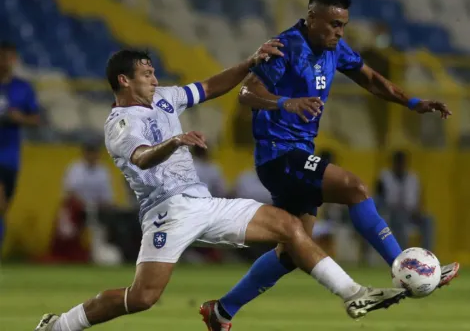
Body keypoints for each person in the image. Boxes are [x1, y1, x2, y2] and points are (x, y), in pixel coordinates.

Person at [35, 45, 407, 331]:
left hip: (204, 202)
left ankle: (354, 294)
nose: (154, 77)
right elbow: (143, 157)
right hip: (167, 214)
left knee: (290, 228)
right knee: (143, 297)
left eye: (153, 72)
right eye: (146, 74)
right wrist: (175, 142)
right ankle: (62, 325)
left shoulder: (165, 97)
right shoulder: (119, 124)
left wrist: (250, 62)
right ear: (124, 81)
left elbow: (210, 87)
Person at [202, 0, 459, 329]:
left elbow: (370, 79)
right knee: (354, 187)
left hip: (296, 155)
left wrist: (412, 102)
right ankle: (407, 268)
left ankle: (222, 311)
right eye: (334, 24)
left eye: (343, 25)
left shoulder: (334, 48)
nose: (339, 32)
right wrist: (285, 102)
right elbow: (247, 92)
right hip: (280, 156)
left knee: (293, 250)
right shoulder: (286, 47)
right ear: (312, 17)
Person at [0, 41, 40, 253]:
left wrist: (19, 118)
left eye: (8, 57)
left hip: (10, 156)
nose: (4, 62)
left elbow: (36, 119)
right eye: (2, 57)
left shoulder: (22, 88)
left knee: (3, 208)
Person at [375, 150, 434, 250]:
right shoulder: (384, 177)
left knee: (428, 220)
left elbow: (420, 199)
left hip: (411, 212)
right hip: (391, 212)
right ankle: (402, 253)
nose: (400, 165)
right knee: (399, 220)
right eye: (398, 162)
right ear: (393, 163)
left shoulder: (413, 177)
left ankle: (427, 253)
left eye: (402, 162)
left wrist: (419, 210)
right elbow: (379, 198)